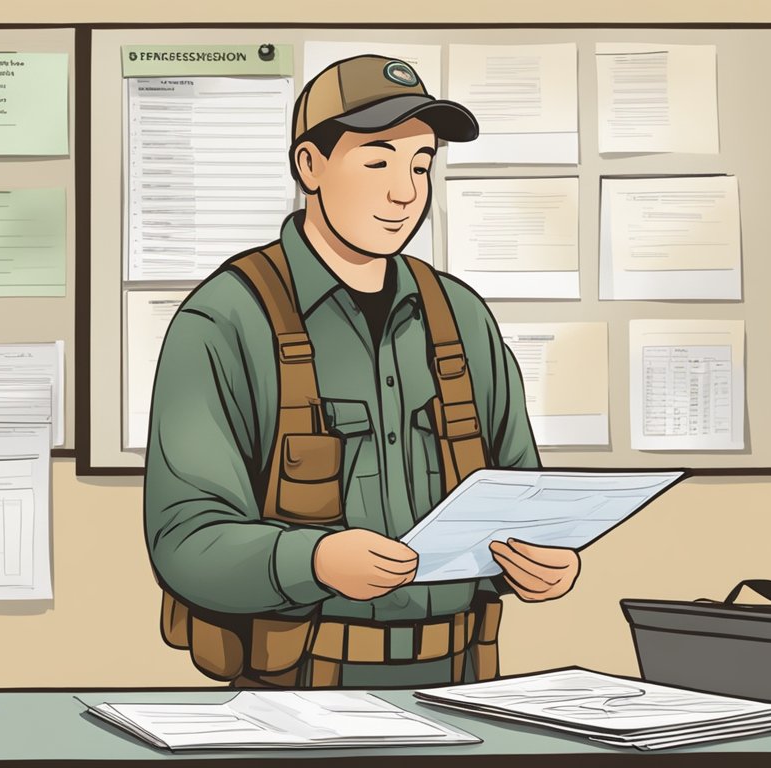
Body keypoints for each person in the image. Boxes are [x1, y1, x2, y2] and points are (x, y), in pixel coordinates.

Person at [144, 54, 581, 688]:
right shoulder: (225, 320)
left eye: (420, 165)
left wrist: (540, 560)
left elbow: (519, 496)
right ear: (310, 166)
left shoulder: (462, 317)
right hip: (295, 691)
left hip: (463, 683)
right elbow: (185, 541)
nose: (404, 191)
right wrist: (315, 559)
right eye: (377, 161)